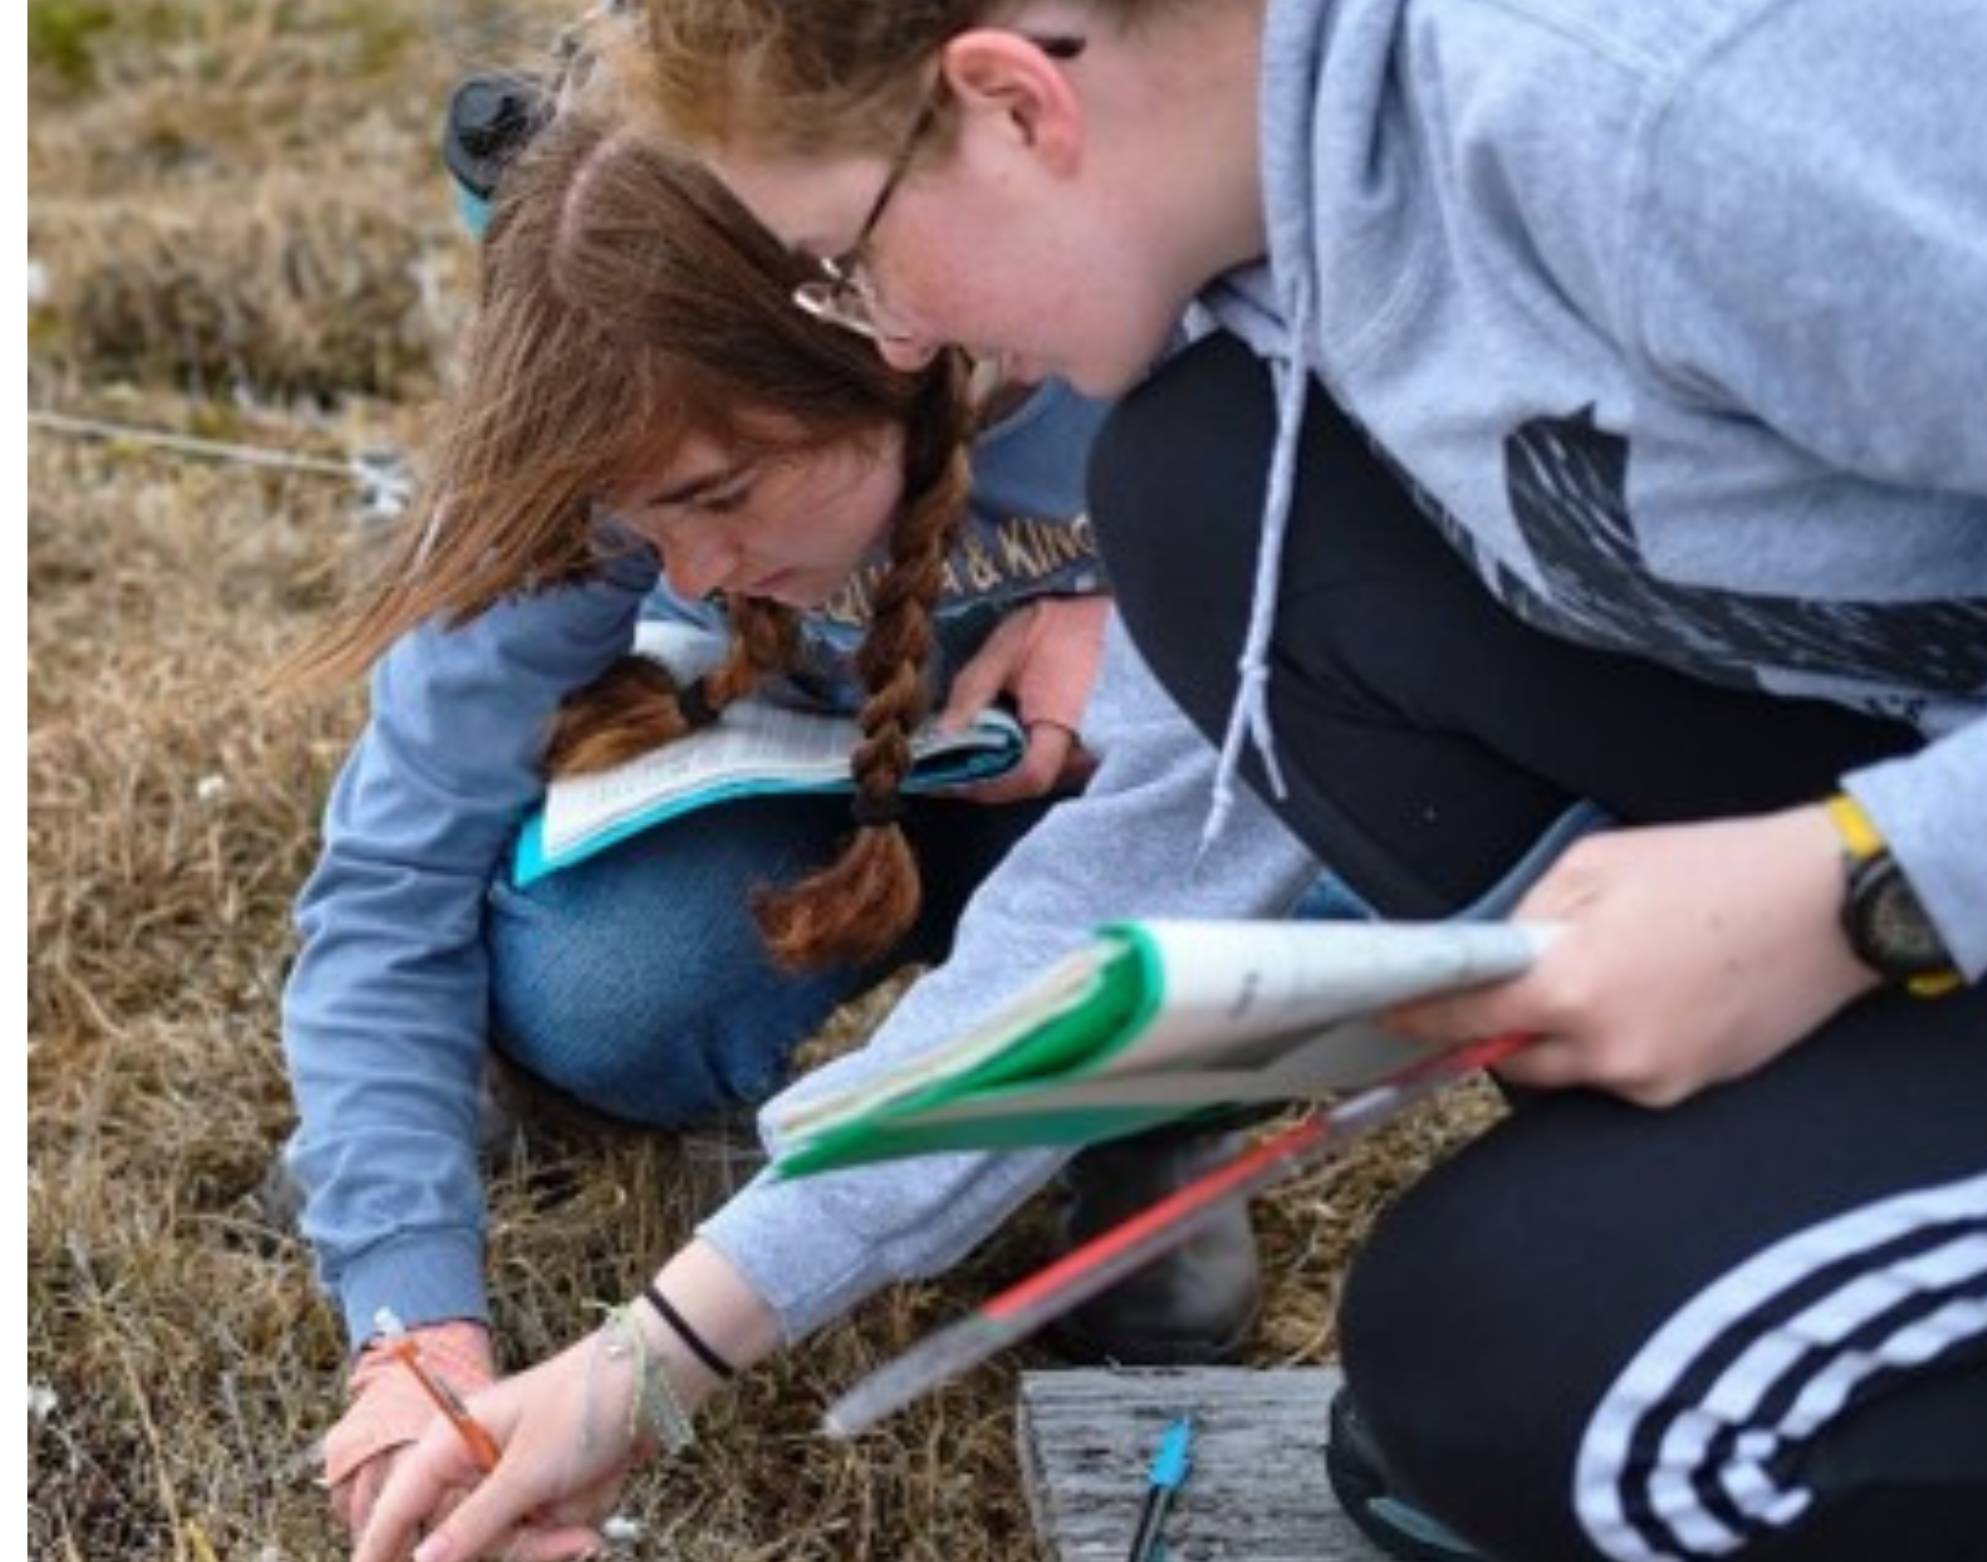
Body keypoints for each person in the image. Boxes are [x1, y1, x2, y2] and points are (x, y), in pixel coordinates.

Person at [515, 1, 1987, 1558]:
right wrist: (651, 1358)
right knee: (1194, 491)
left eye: (854, 257)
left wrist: (1859, 880)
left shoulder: (1655, 114)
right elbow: (1137, 869)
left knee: (1556, 1399)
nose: (886, 341)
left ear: (1017, 105)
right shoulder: (1252, 326)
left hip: (1909, 867)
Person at [289, 105, 1365, 1559]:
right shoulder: (618, 428)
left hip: (1136, 799)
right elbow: (387, 881)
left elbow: (1252, 757)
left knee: (1360, 890)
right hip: (817, 797)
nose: (694, 571)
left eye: (722, 499)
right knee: (597, 989)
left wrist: (1151, 617)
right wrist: (412, 1326)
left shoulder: (1143, 335)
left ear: (886, 339)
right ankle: (891, 1124)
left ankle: (1150, 1122)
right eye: (644, 528)